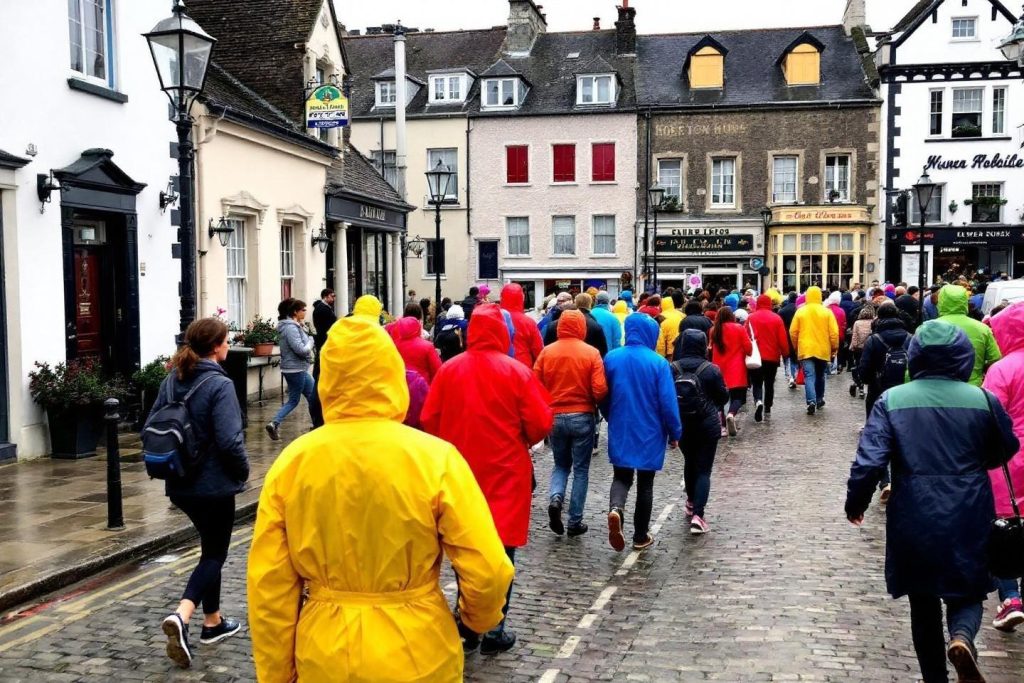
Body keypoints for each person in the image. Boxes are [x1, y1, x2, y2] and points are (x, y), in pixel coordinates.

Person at [247, 310, 514, 682]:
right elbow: (489, 568)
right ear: (391, 373)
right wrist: (476, 620)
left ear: (328, 379)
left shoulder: (293, 463)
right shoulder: (436, 458)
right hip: (419, 650)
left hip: (326, 653)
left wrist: (276, 672)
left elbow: (269, 588)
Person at [845, 321, 1018, 683]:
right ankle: (961, 638)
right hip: (969, 506)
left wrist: (856, 503)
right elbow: (1006, 448)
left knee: (922, 602)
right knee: (969, 589)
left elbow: (870, 460)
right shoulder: (983, 399)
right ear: (963, 356)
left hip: (914, 510)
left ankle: (934, 678)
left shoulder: (892, 400)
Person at [421, 303, 553, 654]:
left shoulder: (449, 371)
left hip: (458, 473)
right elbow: (540, 423)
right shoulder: (517, 372)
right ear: (502, 333)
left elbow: (429, 420)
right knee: (500, 554)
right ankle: (494, 627)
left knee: (464, 549)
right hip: (505, 473)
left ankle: (467, 626)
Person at [156, 317, 249, 669]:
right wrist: (243, 472)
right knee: (215, 554)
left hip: (179, 481)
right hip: (212, 485)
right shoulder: (219, 385)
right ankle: (183, 614)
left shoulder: (172, 378)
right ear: (215, 346)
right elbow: (229, 441)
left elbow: (153, 422)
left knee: (211, 547)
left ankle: (213, 622)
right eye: (226, 340)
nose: (229, 344)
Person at [602, 315, 682, 552]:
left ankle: (616, 508)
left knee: (621, 476)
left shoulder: (612, 358)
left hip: (622, 425)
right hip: (650, 429)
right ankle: (640, 535)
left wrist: (609, 415)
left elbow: (603, 394)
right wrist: (675, 431)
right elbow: (668, 402)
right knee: (645, 484)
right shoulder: (658, 363)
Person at [534, 310, 608, 537]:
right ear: (582, 328)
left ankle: (556, 498)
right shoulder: (591, 353)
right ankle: (575, 520)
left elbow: (535, 385)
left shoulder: (547, 352)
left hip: (555, 416)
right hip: (582, 415)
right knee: (581, 469)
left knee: (560, 465)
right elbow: (599, 389)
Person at [982, 302, 1024, 632]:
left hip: (1010, 461)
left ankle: (1010, 596)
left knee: (1003, 528)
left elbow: (988, 418)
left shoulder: (1003, 368)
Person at [672, 330, 728, 534]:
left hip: (683, 424)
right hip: (706, 425)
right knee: (704, 469)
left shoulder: (673, 368)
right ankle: (699, 515)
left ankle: (690, 501)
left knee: (689, 462)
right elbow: (722, 397)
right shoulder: (711, 369)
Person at [266, 298, 315, 441]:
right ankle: (274, 423)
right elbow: (300, 349)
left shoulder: (294, 326)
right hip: (295, 369)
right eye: (303, 310)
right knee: (294, 400)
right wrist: (311, 342)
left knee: (313, 396)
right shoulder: (290, 328)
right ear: (295, 312)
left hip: (297, 368)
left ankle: (317, 424)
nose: (305, 312)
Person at [937, 284, 1001, 386]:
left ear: (941, 302)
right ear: (965, 302)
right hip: (973, 388)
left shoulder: (927, 329)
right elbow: (995, 359)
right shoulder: (982, 328)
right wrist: (979, 369)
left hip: (938, 390)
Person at [790, 286, 839, 415]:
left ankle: (811, 401)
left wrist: (796, 346)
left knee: (809, 376)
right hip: (823, 349)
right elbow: (834, 333)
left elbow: (793, 332)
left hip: (806, 348)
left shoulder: (800, 312)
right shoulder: (827, 312)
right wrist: (834, 348)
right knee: (821, 375)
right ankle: (819, 399)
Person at [745, 294, 790, 422]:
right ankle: (768, 407)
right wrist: (785, 353)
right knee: (769, 383)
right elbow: (782, 338)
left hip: (755, 356)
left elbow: (745, 335)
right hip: (772, 357)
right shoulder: (776, 318)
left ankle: (758, 400)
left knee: (757, 382)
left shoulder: (751, 318)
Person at [708, 307, 752, 436]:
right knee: (737, 397)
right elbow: (748, 348)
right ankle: (731, 413)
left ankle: (721, 426)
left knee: (719, 399)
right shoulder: (739, 328)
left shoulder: (713, 330)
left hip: (718, 369)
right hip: (736, 368)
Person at [309, 288, 337, 428]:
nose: (334, 298)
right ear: (326, 296)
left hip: (323, 345)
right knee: (316, 385)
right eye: (332, 296)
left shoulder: (322, 308)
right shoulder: (323, 310)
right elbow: (328, 328)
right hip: (325, 344)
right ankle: (318, 420)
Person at [390, 311, 442, 384]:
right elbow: (437, 369)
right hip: (422, 387)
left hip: (401, 387)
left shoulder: (394, 346)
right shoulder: (427, 346)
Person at [500, 283, 545, 368]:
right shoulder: (528, 322)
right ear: (522, 298)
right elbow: (538, 350)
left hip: (499, 367)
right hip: (523, 367)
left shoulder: (495, 319)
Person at [847, 304, 875, 399]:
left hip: (859, 348)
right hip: (870, 348)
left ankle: (859, 385)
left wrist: (852, 347)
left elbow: (854, 336)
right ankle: (864, 385)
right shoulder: (873, 322)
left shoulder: (857, 323)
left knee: (858, 366)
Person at [778, 292, 799, 385]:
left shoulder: (782, 311)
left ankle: (789, 375)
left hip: (786, 335)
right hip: (797, 335)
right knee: (795, 356)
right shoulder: (799, 310)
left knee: (787, 356)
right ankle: (795, 374)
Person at [657, 292, 685, 359]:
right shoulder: (682, 315)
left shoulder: (661, 318)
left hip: (670, 353)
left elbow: (660, 342)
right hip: (683, 350)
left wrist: (661, 357)